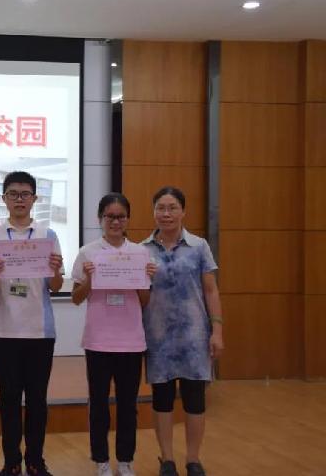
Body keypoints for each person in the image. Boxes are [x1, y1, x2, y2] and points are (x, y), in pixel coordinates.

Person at [0, 171, 64, 476]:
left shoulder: (48, 235)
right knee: (8, 400)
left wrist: (55, 271)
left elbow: (55, 286)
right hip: (4, 330)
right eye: (13, 194)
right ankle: (12, 461)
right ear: (4, 199)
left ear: (34, 198)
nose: (19, 199)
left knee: (38, 401)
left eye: (25, 194)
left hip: (39, 331)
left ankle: (35, 460)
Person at [71, 193, 156, 476]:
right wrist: (90, 279)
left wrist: (146, 278)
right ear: (100, 219)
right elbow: (76, 298)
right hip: (98, 340)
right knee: (98, 404)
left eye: (121, 216)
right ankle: (101, 460)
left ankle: (125, 460)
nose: (116, 222)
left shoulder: (140, 253)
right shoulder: (88, 252)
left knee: (128, 405)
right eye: (110, 216)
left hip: (131, 341)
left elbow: (145, 301)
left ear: (128, 219)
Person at [142, 187, 224, 476]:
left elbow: (211, 290)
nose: (166, 213)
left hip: (194, 337)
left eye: (172, 207)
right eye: (160, 208)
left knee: (195, 400)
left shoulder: (199, 246)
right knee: (162, 400)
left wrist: (217, 330)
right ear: (154, 212)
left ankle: (193, 459)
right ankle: (167, 459)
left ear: (183, 211)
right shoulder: (141, 250)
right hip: (157, 337)